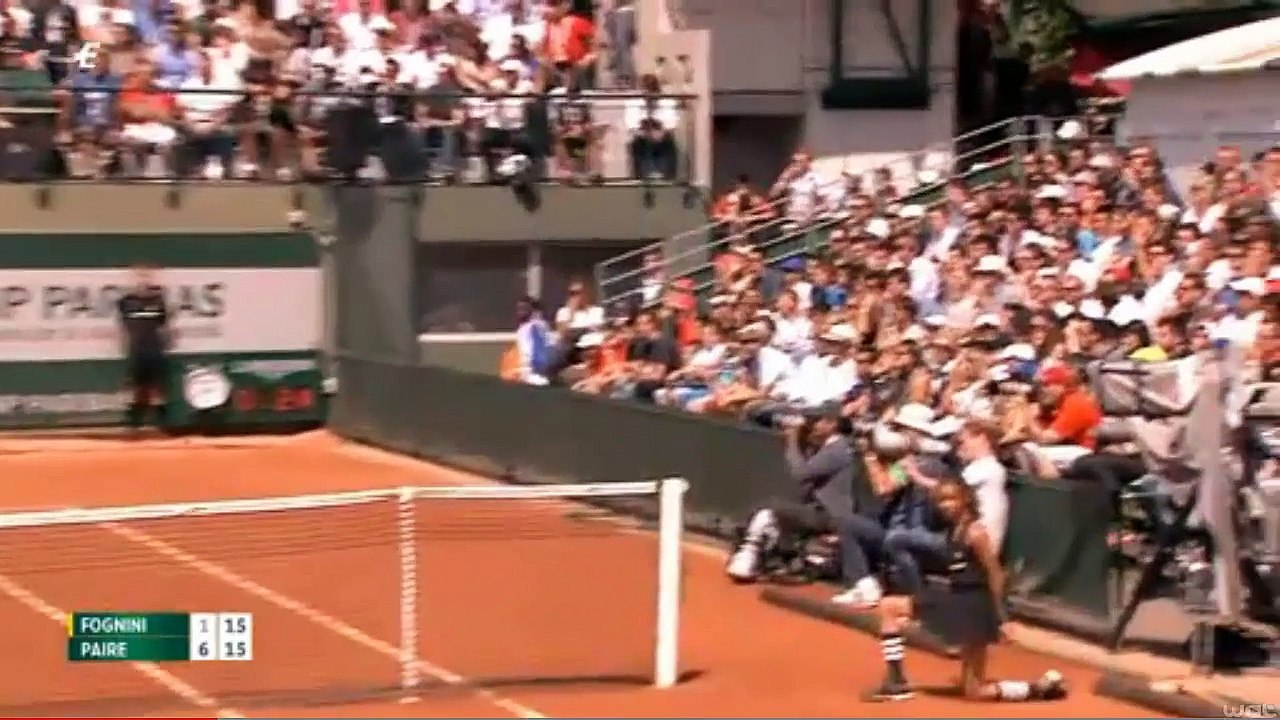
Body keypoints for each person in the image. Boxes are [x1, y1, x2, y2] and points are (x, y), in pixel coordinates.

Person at [868, 476, 1068, 703]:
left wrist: (1003, 618)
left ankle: (1040, 689)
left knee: (974, 691)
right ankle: (896, 681)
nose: (946, 505)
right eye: (941, 500)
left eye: (952, 499)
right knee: (890, 607)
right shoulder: (953, 531)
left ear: (966, 500)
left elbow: (996, 575)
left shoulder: (976, 533)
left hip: (974, 608)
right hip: (955, 598)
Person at [726, 405, 856, 582]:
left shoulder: (837, 449)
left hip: (829, 514)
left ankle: (750, 556)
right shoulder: (829, 446)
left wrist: (792, 442)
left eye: (816, 421)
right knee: (768, 510)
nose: (812, 426)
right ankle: (757, 557)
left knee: (770, 506)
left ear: (831, 424)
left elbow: (801, 474)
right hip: (818, 510)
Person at [116, 264, 171, 432]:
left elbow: (163, 325)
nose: (143, 280)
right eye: (139, 277)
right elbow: (124, 326)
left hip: (155, 348)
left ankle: (163, 425)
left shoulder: (158, 301)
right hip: (137, 349)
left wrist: (166, 344)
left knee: (157, 390)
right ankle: (134, 426)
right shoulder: (126, 302)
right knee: (138, 389)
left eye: (147, 276)